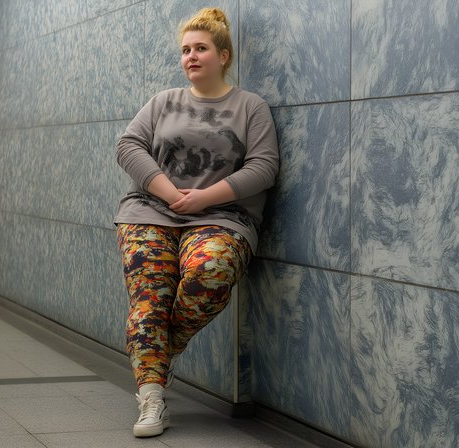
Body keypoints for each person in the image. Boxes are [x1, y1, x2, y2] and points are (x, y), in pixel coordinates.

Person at [113, 7, 279, 438]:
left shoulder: (250, 107)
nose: (190, 56)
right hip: (151, 212)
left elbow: (264, 167)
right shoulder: (163, 102)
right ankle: (152, 398)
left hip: (223, 216)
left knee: (212, 269)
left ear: (223, 56)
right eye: (185, 50)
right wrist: (170, 194)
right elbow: (128, 146)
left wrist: (205, 197)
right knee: (150, 300)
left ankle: (160, 352)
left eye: (200, 48)